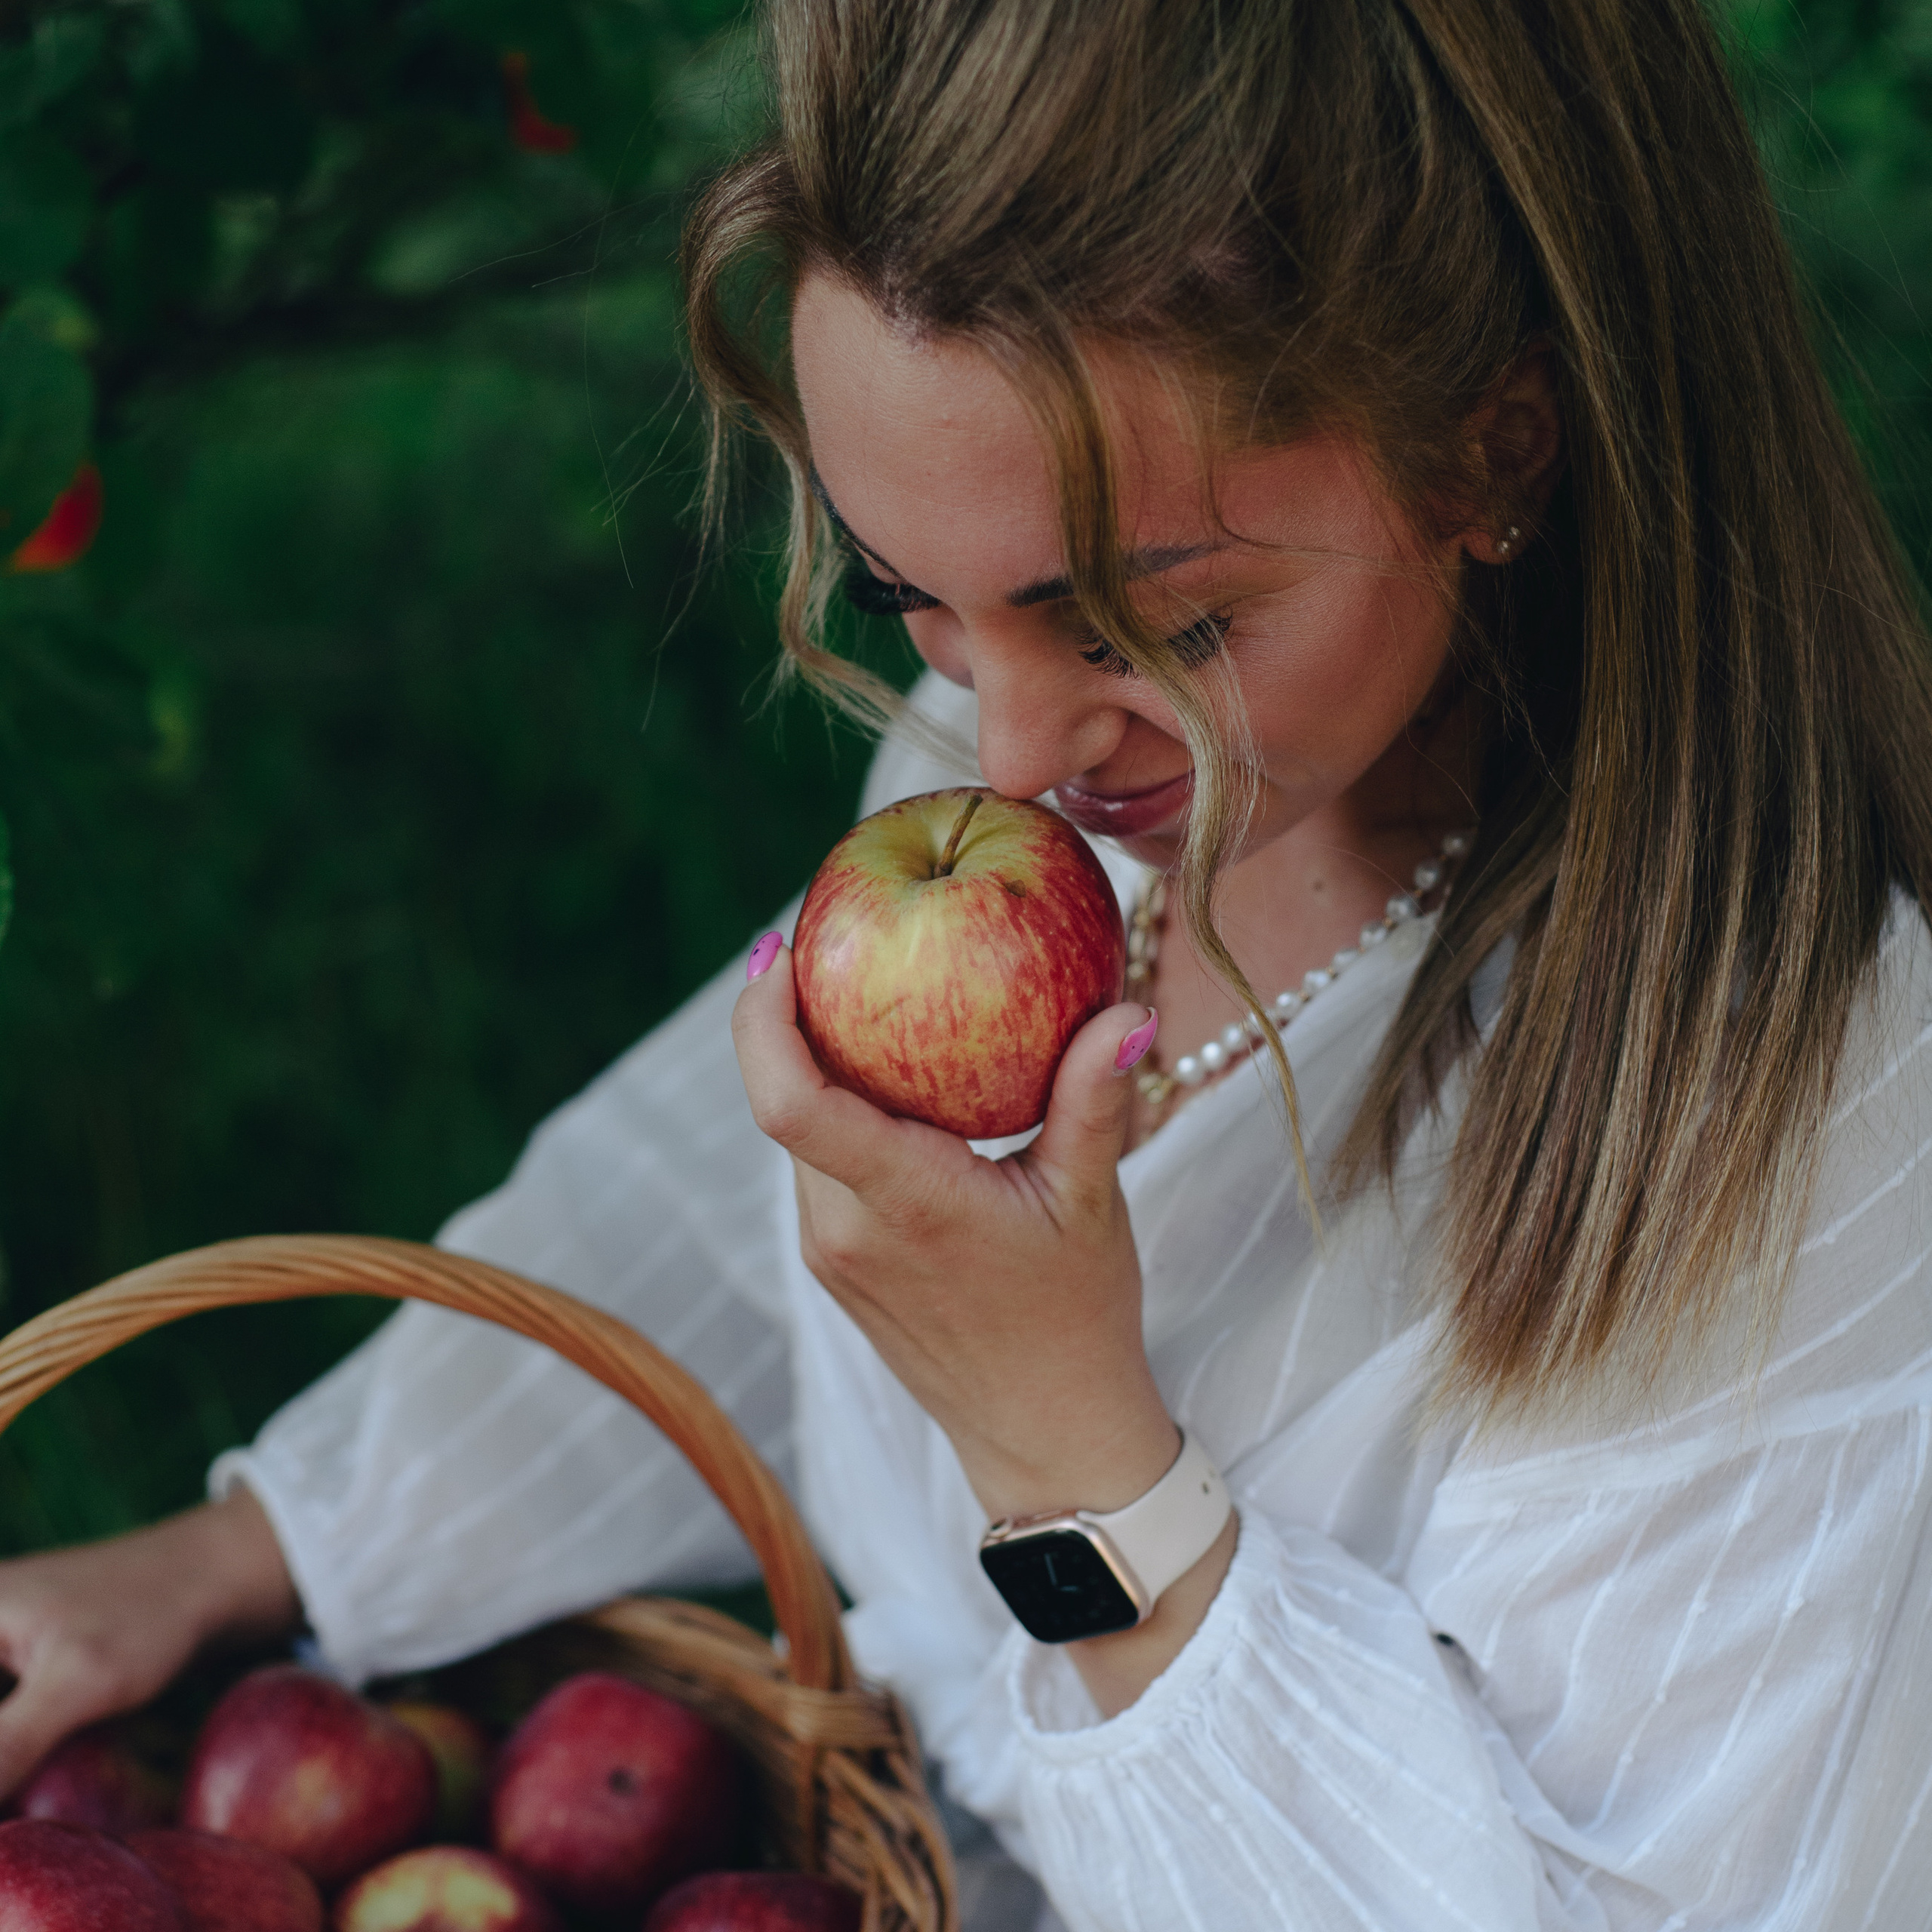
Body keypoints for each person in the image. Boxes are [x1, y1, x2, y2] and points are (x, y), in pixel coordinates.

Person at [4, 2, 1932, 1925]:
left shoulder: (1774, 1116)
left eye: (1138, 618)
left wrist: (1071, 1453)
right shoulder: (1037, 801)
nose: (1005, 756)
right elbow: (722, 1195)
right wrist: (253, 1541)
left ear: (1494, 439)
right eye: (911, 594)